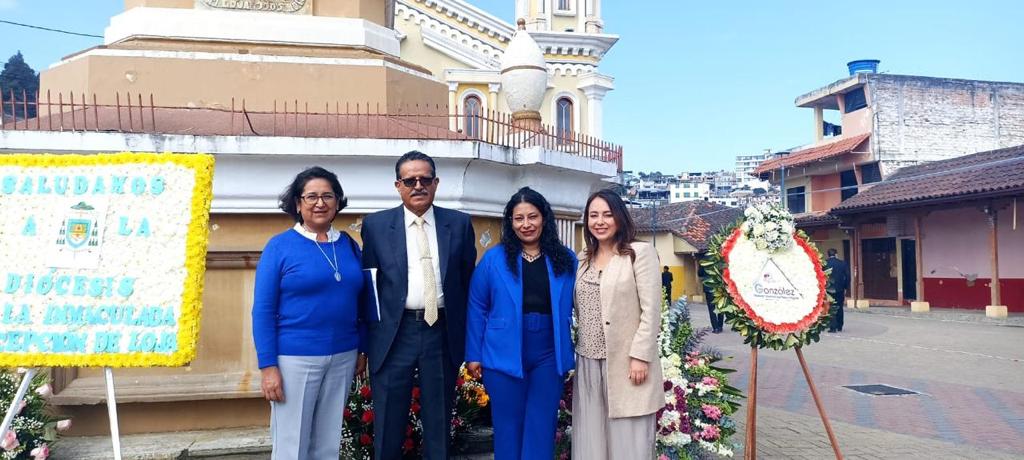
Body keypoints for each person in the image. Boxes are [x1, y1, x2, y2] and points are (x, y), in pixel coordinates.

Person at [360, 151, 477, 460]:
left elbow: (467, 282)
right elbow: (369, 287)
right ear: (398, 185)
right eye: (410, 180)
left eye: (425, 179)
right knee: (388, 424)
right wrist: (365, 343)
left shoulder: (460, 224)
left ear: (436, 183)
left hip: (441, 332)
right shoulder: (375, 226)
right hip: (393, 336)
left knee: (439, 423)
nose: (418, 185)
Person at [252, 166, 368, 460]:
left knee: (328, 444)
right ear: (297, 203)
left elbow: (364, 301)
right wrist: (268, 368)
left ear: (338, 201)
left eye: (328, 196)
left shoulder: (349, 245)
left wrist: (362, 348)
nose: (320, 203)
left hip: (343, 356)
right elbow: (263, 311)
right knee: (292, 445)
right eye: (312, 196)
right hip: (294, 360)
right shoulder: (279, 247)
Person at [465, 187, 577, 460]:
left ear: (544, 219)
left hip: (549, 353)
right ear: (510, 222)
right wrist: (473, 355)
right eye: (518, 218)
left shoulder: (566, 259)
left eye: (532, 217)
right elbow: (477, 306)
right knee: (508, 426)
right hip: (501, 352)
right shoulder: (493, 260)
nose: (526, 224)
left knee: (542, 423)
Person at [572, 189, 664, 460]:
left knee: (629, 442)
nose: (600, 221)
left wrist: (640, 357)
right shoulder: (581, 259)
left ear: (619, 218)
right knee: (591, 441)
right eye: (593, 215)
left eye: (607, 214)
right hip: (588, 361)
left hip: (627, 364)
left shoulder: (639, 253)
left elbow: (651, 311)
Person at [825, 248, 850, 333]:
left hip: (828, 289)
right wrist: (846, 287)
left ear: (828, 255)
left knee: (830, 307)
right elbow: (848, 276)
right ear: (836, 254)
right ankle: (840, 325)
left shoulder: (825, 264)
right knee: (839, 307)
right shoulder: (842, 263)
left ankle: (833, 327)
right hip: (840, 289)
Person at [697, 261, 725, 333]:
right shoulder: (717, 259)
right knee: (720, 307)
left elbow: (700, 274)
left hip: (708, 288)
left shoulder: (703, 262)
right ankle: (720, 326)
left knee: (711, 308)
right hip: (718, 288)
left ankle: (715, 328)